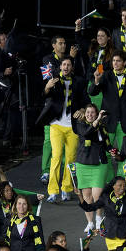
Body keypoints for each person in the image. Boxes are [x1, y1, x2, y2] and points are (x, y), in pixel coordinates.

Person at [38, 57, 88, 203]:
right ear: (60, 66)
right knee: (57, 156)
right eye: (64, 64)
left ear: (72, 67)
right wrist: (47, 87)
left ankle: (67, 188)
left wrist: (83, 110)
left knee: (71, 159)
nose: (66, 66)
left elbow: (86, 100)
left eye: (69, 65)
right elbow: (45, 96)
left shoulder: (79, 82)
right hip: (56, 125)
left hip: (72, 126)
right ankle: (53, 191)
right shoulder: (54, 80)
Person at [72, 103, 112, 234]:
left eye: (92, 113)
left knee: (97, 195)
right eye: (88, 112)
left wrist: (112, 151)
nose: (90, 115)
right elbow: (87, 133)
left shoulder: (102, 127)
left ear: (96, 114)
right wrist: (96, 121)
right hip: (83, 163)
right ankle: (90, 223)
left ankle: (99, 219)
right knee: (87, 196)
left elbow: (106, 143)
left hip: (99, 164)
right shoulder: (81, 125)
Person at [78, 177, 126, 251]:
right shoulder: (105, 198)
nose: (122, 187)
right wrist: (80, 196)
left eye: (124, 186)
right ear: (113, 186)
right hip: (110, 234)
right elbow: (89, 208)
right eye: (120, 185)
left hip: (124, 235)